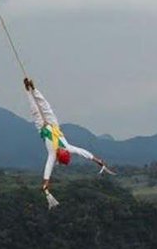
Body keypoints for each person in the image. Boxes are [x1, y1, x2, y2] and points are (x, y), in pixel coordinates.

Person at [24, 78, 114, 209]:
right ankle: (34, 89)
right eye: (63, 151)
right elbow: (83, 152)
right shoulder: (68, 148)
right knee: (46, 107)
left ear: (60, 156)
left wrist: (46, 182)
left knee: (36, 112)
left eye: (61, 152)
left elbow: (48, 168)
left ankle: (28, 90)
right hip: (54, 126)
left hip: (42, 129)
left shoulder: (52, 155)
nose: (62, 150)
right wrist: (97, 160)